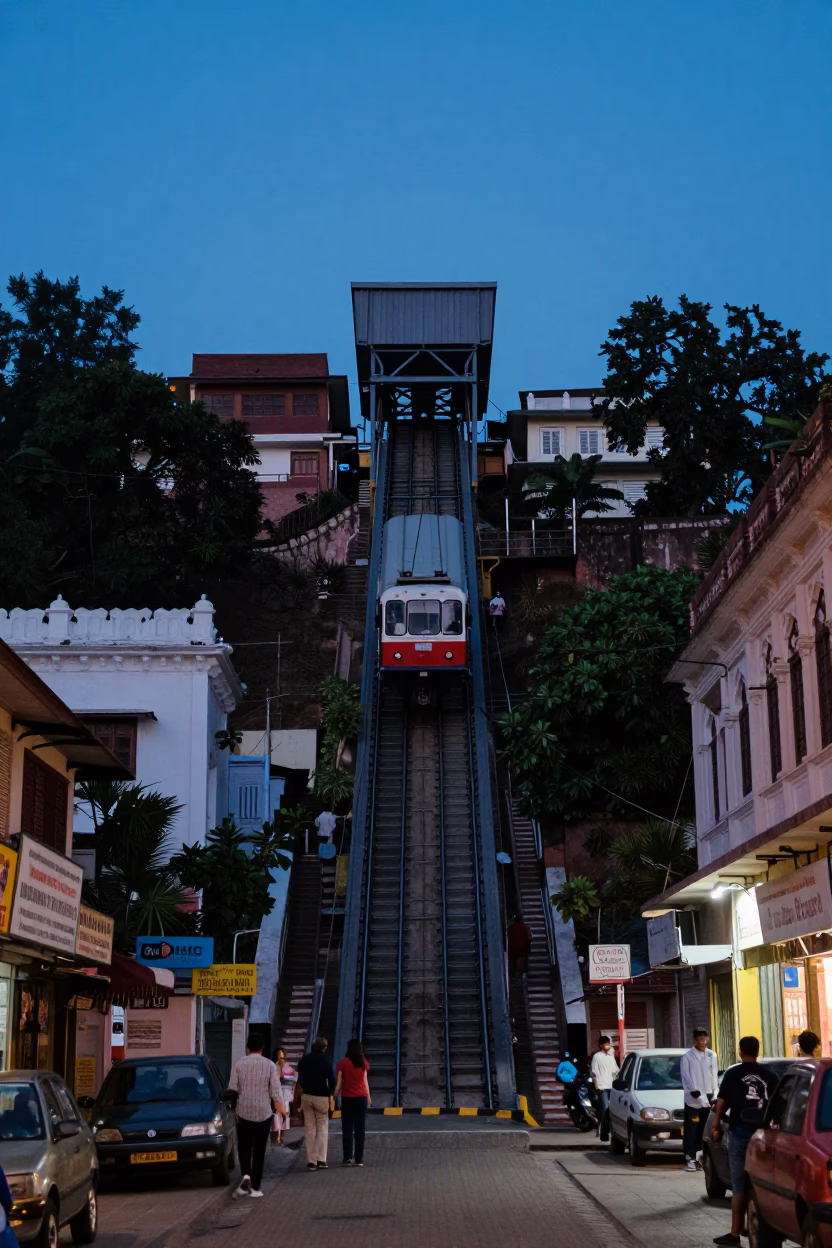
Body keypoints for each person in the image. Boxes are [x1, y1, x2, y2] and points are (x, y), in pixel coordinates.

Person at [711, 1035, 778, 1248]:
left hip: (739, 1134)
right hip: (763, 1138)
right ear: (758, 1051)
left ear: (740, 1051)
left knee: (738, 1186)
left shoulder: (733, 1073)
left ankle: (734, 1234)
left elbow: (721, 1103)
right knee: (759, 1184)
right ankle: (756, 1227)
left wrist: (716, 1126)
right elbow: (778, 1106)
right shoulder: (770, 1075)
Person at [228, 1032, 282, 1199]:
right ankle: (256, 1186)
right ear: (262, 1049)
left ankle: (246, 1176)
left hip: (243, 1112)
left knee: (244, 1147)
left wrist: (232, 1109)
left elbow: (232, 1090)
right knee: (259, 1150)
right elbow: (275, 1091)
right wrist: (282, 1110)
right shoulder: (270, 1065)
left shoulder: (239, 1064)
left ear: (247, 1048)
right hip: (263, 1113)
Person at [680, 1027, 719, 1172]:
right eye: (700, 1039)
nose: (703, 1041)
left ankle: (702, 1157)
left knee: (705, 1130)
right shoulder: (688, 1057)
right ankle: (690, 1158)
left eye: (705, 1038)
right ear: (695, 1040)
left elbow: (714, 1076)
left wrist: (715, 1094)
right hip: (694, 1099)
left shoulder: (711, 1055)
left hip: (709, 1097)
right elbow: (686, 1077)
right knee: (692, 1130)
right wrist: (695, 1092)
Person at [296, 1036, 336, 1171]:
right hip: (322, 1097)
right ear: (324, 1048)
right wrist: (331, 1094)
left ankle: (311, 1161)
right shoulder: (326, 1061)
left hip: (306, 1096)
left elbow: (299, 1079)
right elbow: (332, 1080)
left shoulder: (305, 1060)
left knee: (309, 1129)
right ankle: (321, 1160)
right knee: (322, 1128)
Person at [334, 1038, 371, 1167]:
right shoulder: (363, 1062)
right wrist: (369, 1097)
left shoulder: (343, 1063)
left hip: (348, 1099)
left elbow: (339, 1083)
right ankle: (359, 1159)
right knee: (360, 1129)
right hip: (361, 1098)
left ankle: (347, 1158)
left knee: (347, 1128)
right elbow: (365, 1082)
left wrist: (334, 1095)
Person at [590, 1035, 619, 1141]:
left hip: (612, 1086)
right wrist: (597, 1085)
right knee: (605, 1109)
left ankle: (611, 1132)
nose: (607, 1045)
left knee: (612, 1110)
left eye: (608, 1043)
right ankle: (603, 1133)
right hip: (602, 1087)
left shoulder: (610, 1057)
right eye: (605, 1043)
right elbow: (594, 1072)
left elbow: (615, 1071)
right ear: (601, 1045)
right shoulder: (597, 1056)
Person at [270, 1048, 297, 1145]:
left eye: (282, 1056)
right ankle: (277, 1135)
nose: (281, 1058)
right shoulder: (272, 1067)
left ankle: (281, 1136)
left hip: (286, 1094)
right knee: (277, 1115)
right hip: (276, 1094)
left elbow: (293, 1081)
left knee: (285, 1114)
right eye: (279, 1055)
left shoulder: (289, 1068)